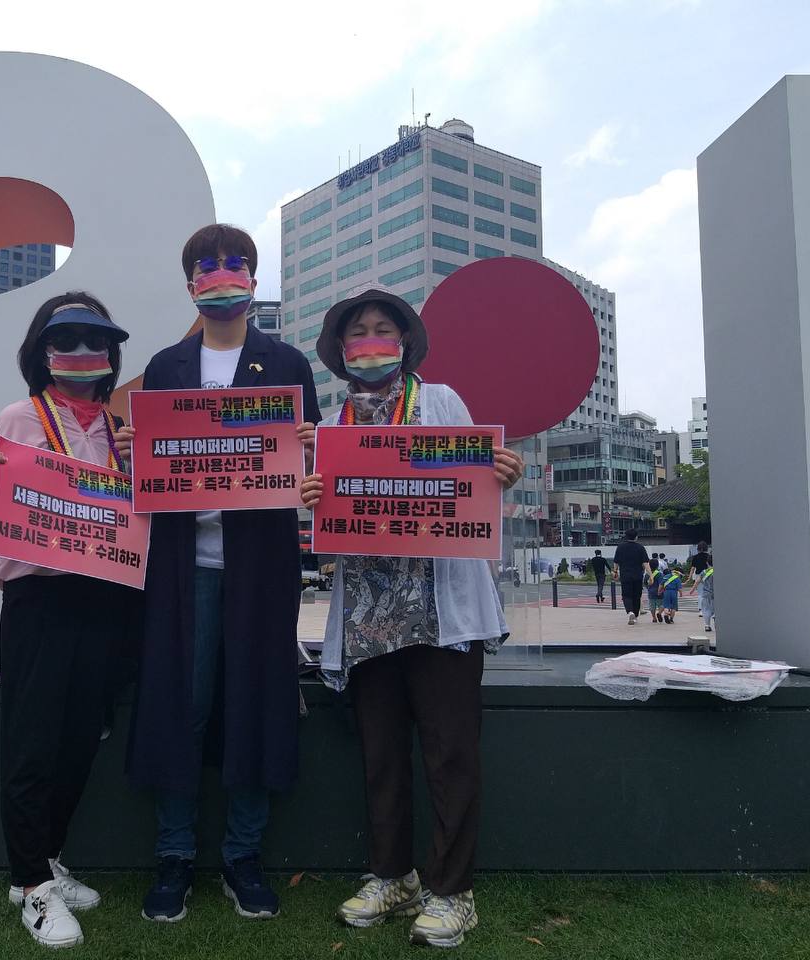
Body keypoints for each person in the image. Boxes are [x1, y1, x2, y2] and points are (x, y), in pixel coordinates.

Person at [299, 284, 524, 949]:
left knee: (450, 754)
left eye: (382, 329)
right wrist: (310, 499)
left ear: (403, 344)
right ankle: (391, 875)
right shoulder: (333, 429)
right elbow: (332, 536)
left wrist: (499, 473)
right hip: (370, 615)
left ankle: (452, 891)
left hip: (440, 610)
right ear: (341, 352)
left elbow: (469, 487)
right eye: (357, 332)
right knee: (382, 755)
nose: (370, 340)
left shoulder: (440, 401)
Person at [121, 224, 320, 923]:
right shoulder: (166, 366)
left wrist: (308, 450)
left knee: (255, 702)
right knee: (182, 704)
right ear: (191, 284)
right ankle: (174, 855)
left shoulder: (286, 362)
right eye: (208, 266)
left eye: (236, 264)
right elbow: (141, 474)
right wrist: (129, 450)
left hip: (261, 569)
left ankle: (243, 855)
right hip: (182, 569)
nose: (222, 275)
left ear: (254, 279)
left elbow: (314, 475)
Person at [0, 292, 135, 949]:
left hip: (105, 597)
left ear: (110, 358)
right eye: (65, 341)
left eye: (95, 344)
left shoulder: (122, 429)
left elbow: (143, 518)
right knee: (33, 740)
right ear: (43, 352)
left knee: (81, 736)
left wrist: (141, 463)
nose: (81, 356)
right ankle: (30, 886)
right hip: (39, 599)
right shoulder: (18, 416)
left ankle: (48, 861)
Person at [611, 530, 650, 625]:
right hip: (637, 576)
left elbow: (616, 561)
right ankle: (635, 616)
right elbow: (645, 563)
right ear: (636, 537)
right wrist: (651, 575)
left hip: (625, 576)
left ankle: (630, 612)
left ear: (626, 536)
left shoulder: (620, 547)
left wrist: (615, 571)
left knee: (626, 595)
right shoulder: (640, 548)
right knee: (637, 596)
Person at [688, 542, 714, 632]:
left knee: (700, 594)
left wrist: (689, 578)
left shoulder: (695, 557)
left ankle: (701, 611)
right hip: (711, 576)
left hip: (700, 575)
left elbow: (692, 568)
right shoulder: (709, 556)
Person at [644, 558, 663, 623]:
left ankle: (654, 618)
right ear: (657, 565)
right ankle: (659, 613)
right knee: (661, 605)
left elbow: (645, 583)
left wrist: (648, 588)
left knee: (652, 606)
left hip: (651, 593)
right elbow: (661, 583)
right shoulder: (659, 574)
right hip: (659, 592)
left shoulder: (647, 574)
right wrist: (660, 590)